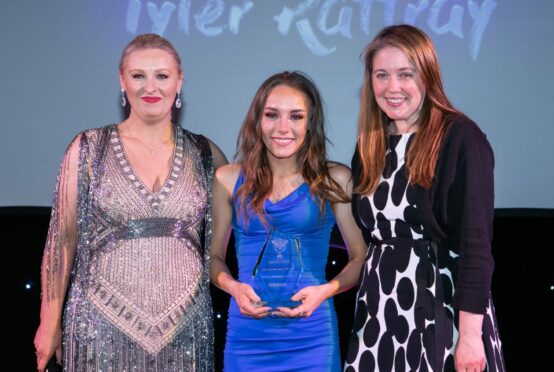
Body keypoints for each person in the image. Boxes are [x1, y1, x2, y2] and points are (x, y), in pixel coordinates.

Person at [33, 33, 227, 371]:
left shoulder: (206, 154)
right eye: (138, 75)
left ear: (179, 81)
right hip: (99, 329)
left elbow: (249, 220)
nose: (150, 87)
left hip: (184, 333)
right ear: (122, 81)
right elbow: (61, 242)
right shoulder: (88, 148)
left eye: (162, 76)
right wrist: (49, 324)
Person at [343, 25, 505, 371]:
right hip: (379, 312)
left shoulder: (462, 138)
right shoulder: (369, 146)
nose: (392, 87)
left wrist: (470, 336)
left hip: (442, 310)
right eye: (381, 75)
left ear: (428, 75)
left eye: (406, 74)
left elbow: (476, 246)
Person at [210, 71, 367, 371]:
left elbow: (360, 258)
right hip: (247, 338)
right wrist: (233, 287)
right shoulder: (228, 179)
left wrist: (326, 290)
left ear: (310, 123)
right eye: (272, 115)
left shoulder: (335, 179)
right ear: (258, 120)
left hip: (313, 336)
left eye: (296, 117)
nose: (283, 127)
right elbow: (213, 259)